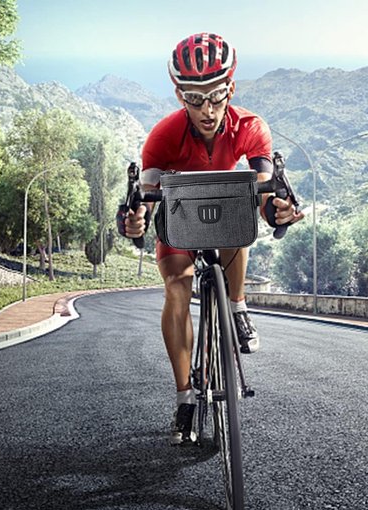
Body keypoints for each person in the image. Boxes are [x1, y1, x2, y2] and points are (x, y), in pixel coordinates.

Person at [118, 32, 303, 445]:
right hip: (180, 221)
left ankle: (236, 307)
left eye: (216, 97)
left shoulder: (251, 127)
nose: (206, 110)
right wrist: (133, 220)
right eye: (194, 99)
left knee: (242, 212)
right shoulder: (164, 135)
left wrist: (280, 210)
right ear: (179, 94)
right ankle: (185, 396)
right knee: (176, 288)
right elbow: (143, 198)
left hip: (225, 215)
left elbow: (266, 189)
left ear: (231, 89)